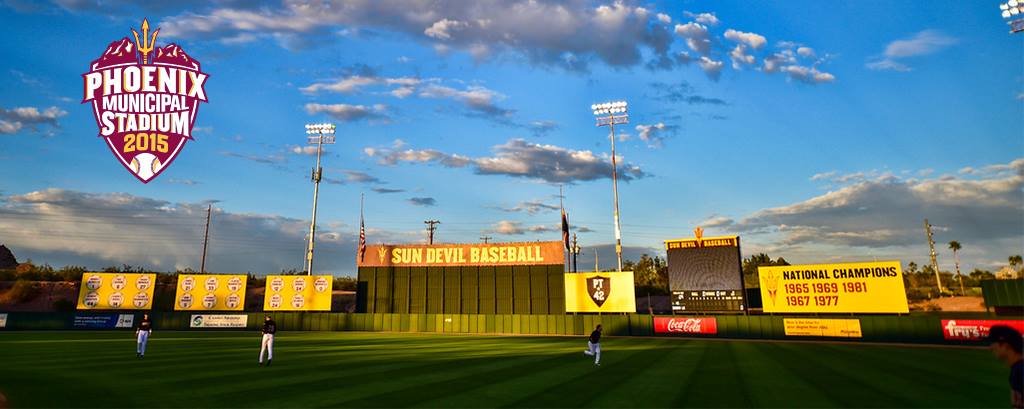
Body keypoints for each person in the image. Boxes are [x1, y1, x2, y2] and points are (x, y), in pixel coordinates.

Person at [988, 325, 1024, 409]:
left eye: (993, 343)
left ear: (1006, 346)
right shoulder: (1017, 369)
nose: (990, 347)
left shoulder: (1020, 371)